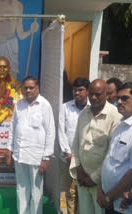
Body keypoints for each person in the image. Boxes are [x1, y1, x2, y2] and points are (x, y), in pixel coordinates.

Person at [70, 79, 122, 214]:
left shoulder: (115, 116)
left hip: (101, 183)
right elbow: (76, 142)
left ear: (106, 94)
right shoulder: (84, 113)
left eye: (98, 94)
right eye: (91, 94)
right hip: (82, 178)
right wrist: (79, 169)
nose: (93, 97)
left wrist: (93, 178)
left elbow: (112, 153)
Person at [98, 82, 132, 214]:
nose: (119, 102)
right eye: (118, 98)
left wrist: (109, 197)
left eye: (124, 98)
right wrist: (101, 189)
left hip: (121, 204)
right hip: (107, 197)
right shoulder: (121, 125)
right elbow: (109, 160)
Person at [7, 76, 55, 214]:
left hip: (36, 157)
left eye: (31, 88)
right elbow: (13, 128)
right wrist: (9, 150)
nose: (28, 90)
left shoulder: (44, 105)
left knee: (36, 191)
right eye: (25, 87)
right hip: (19, 155)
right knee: (21, 189)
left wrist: (46, 158)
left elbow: (50, 132)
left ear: (37, 88)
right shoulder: (19, 104)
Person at [0, 0, 39, 77]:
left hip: (11, 45)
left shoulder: (19, 5)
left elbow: (21, 35)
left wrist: (31, 31)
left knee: (11, 75)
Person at [58, 77, 90, 214]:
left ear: (87, 91)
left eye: (81, 90)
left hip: (86, 159)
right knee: (70, 191)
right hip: (69, 158)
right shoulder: (65, 107)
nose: (77, 93)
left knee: (83, 190)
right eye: (75, 90)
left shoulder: (92, 108)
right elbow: (61, 130)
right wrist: (67, 152)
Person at [0, 56, 23, 124]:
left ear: (9, 69)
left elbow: (20, 107)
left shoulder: (17, 86)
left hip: (11, 124)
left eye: (5, 67)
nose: (2, 70)